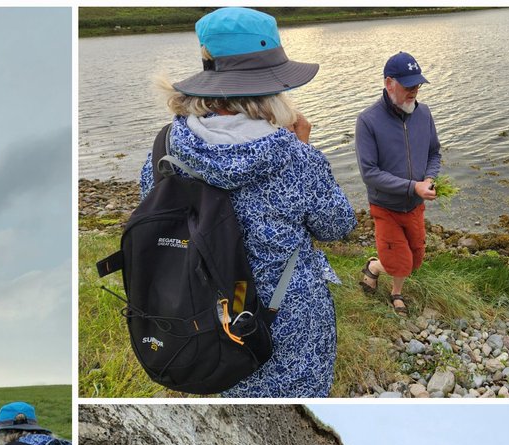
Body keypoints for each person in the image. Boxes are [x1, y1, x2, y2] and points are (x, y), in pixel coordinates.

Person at [139, 6, 356, 397]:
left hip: (205, 323)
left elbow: (156, 216)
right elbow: (337, 226)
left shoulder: (165, 149)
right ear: (272, 85)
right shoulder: (294, 157)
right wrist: (303, 149)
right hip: (286, 326)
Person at [355, 52, 442, 317]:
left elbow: (434, 153)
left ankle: (376, 269)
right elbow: (369, 173)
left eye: (418, 85)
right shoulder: (368, 120)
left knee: (414, 260)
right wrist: (411, 187)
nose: (414, 91)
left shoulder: (423, 113)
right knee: (399, 262)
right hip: (386, 206)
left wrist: (429, 179)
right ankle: (393, 289)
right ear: (389, 83)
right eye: (408, 86)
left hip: (415, 205)